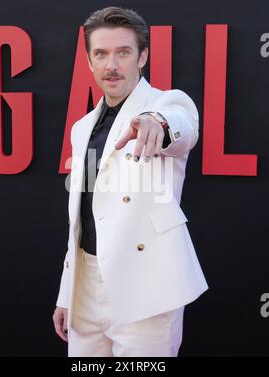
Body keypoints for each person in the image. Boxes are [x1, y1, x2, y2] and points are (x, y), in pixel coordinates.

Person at [53, 6, 208, 357]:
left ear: (143, 57)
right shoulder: (82, 129)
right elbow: (82, 216)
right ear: (89, 61)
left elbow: (182, 123)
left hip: (147, 285)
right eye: (101, 54)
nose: (112, 65)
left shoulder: (164, 104)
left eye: (123, 52)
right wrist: (68, 293)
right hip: (87, 286)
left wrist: (158, 122)